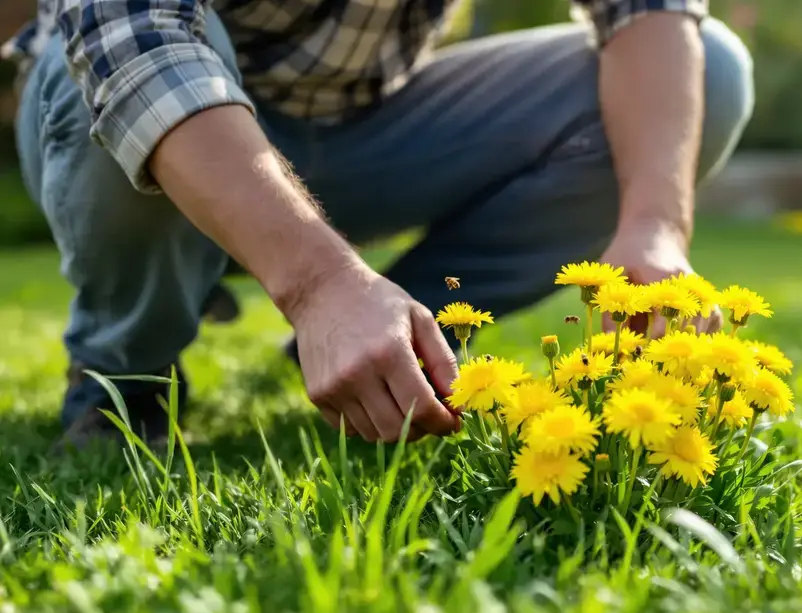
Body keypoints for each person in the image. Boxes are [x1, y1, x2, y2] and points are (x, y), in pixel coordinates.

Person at [3, 0, 754, 451]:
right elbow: (133, 39)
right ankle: (124, 374)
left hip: (367, 126)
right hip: (158, 118)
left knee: (710, 70)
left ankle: (400, 347)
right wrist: (317, 282)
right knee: (98, 66)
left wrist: (655, 227)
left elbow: (645, 9)